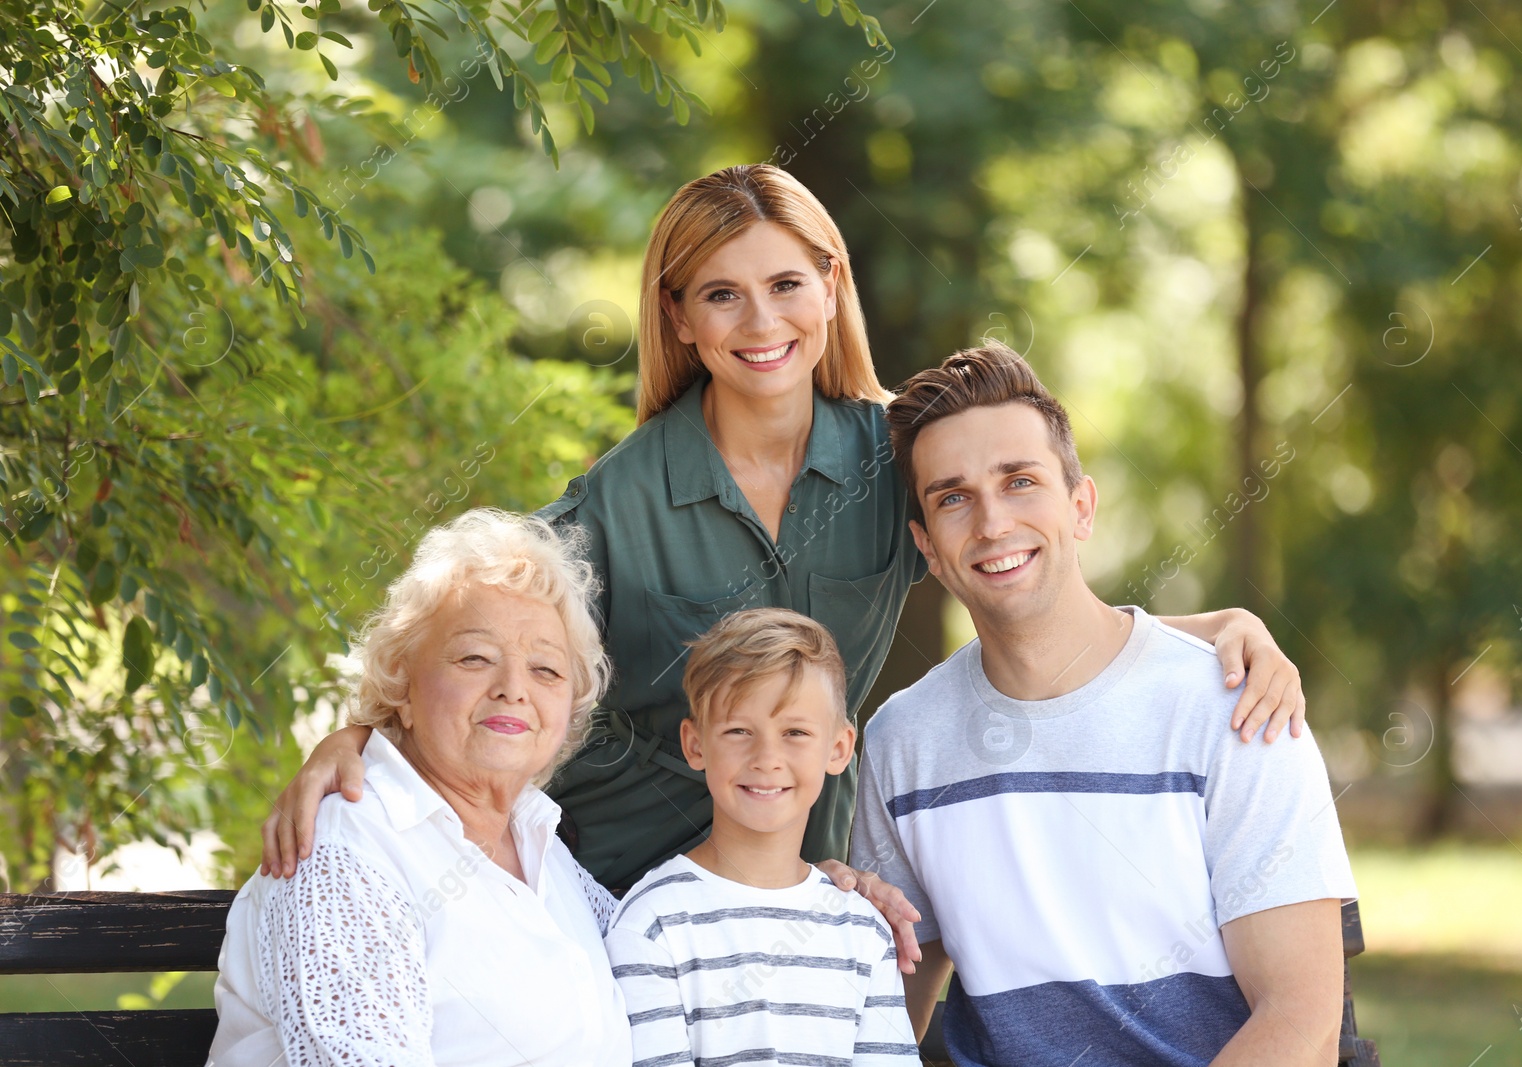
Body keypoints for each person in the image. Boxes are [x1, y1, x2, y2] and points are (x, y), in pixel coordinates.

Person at [259, 165, 1309, 964]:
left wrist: (1217, 628)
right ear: (677, 315)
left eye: (783, 284)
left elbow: (1021, 583)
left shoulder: (897, 460)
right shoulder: (616, 501)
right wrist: (359, 733)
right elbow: (467, 637)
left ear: (829, 284)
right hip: (630, 897)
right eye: (719, 295)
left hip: (813, 891)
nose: (760, 323)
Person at [850, 345, 1358, 1066]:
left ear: (1081, 506)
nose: (992, 523)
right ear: (928, 547)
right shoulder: (904, 739)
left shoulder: (1234, 709)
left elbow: (1301, 1020)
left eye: (1020, 481)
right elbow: (883, 1014)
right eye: (953, 496)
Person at [210, 510, 631, 1067]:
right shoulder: (346, 849)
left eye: (546, 670)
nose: (512, 688)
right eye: (475, 658)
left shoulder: (543, 847)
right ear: (403, 688)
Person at [605, 607, 920, 1066]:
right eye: (738, 731)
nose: (767, 758)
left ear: (838, 748)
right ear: (696, 745)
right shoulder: (652, 921)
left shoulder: (862, 928)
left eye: (795, 731)